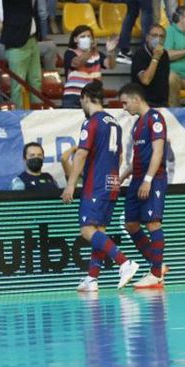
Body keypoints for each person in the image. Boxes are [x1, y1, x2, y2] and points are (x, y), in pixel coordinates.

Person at [61, 80, 140, 292]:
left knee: (87, 230)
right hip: (111, 183)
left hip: (95, 184)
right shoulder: (113, 122)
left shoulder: (92, 122)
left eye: (81, 103)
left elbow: (81, 154)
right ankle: (92, 278)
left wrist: (70, 184)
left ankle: (124, 262)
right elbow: (121, 155)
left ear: (86, 98)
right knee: (100, 232)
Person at [118, 83, 168, 289]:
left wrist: (148, 179)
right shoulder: (137, 124)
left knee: (153, 223)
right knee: (130, 224)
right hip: (137, 178)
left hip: (153, 178)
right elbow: (135, 158)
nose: (123, 107)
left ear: (136, 99)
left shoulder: (155, 119)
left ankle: (156, 274)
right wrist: (122, 177)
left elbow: (158, 151)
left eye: (125, 102)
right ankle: (158, 264)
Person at [1, 0, 61, 108]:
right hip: (17, 44)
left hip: (32, 41)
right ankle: (18, 116)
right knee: (18, 82)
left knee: (36, 79)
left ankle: (37, 111)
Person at [62, 25, 118, 108]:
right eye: (82, 36)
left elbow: (111, 65)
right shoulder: (69, 53)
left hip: (93, 97)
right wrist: (90, 51)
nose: (86, 39)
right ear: (75, 39)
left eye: (89, 36)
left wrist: (111, 52)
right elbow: (77, 63)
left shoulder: (97, 54)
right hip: (73, 97)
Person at [130, 25, 171, 108]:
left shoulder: (165, 54)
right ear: (147, 38)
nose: (158, 39)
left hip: (162, 103)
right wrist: (155, 58)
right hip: (143, 103)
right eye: (154, 35)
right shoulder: (140, 54)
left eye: (161, 36)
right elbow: (145, 80)